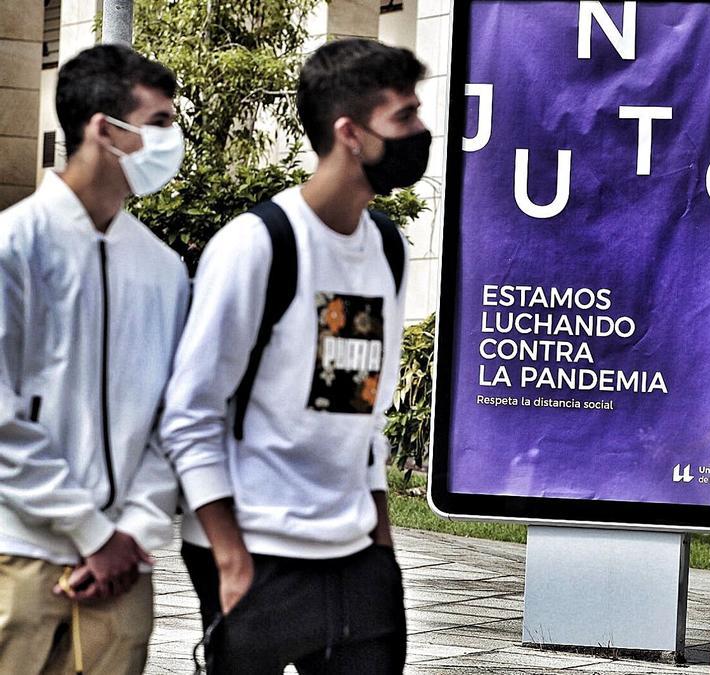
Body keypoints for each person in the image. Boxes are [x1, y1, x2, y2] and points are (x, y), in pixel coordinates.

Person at [160, 38, 427, 674]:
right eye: (405, 117)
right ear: (350, 134)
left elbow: (361, 411)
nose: (421, 131)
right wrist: (228, 556)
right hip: (255, 548)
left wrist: (380, 539)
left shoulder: (386, 248)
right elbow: (189, 413)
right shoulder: (258, 246)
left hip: (354, 549)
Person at [0, 45, 188, 674]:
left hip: (123, 567)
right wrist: (91, 532)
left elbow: (175, 414)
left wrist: (132, 530)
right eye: (160, 122)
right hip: (17, 553)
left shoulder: (164, 269)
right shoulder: (14, 247)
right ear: (104, 130)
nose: (173, 138)